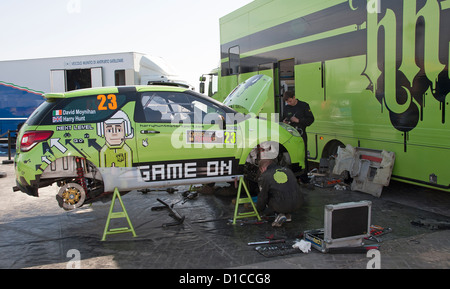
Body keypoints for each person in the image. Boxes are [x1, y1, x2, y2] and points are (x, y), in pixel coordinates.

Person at [256, 159, 304, 227]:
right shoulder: (288, 170)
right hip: (298, 203)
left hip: (281, 205)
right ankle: (287, 215)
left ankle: (279, 215)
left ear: (263, 168)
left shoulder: (265, 176)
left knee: (268, 195)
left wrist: (259, 210)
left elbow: (263, 197)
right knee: (283, 192)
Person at [282, 91, 314, 183]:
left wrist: (298, 120)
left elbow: (310, 120)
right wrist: (284, 122)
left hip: (301, 134)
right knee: (291, 156)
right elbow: (283, 118)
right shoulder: (286, 108)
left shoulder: (304, 106)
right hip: (288, 136)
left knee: (302, 156)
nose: (289, 103)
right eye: (287, 102)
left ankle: (304, 178)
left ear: (294, 97)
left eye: (290, 101)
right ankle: (293, 178)